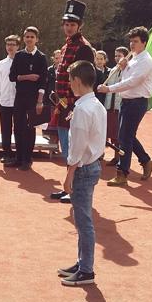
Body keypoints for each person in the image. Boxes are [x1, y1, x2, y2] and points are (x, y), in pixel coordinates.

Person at [57, 60, 107, 287]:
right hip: (92, 165)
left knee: (83, 221)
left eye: (70, 79)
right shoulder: (96, 105)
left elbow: (77, 148)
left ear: (77, 81)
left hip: (83, 168)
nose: (69, 83)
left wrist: (69, 175)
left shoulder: (82, 109)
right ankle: (82, 262)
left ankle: (86, 270)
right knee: (81, 218)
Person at [98, 27, 152, 186]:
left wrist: (109, 89)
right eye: (131, 41)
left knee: (124, 137)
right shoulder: (133, 58)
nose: (132, 44)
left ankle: (122, 173)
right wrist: (124, 68)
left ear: (144, 42)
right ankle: (146, 162)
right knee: (126, 135)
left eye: (135, 41)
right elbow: (126, 79)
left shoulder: (146, 61)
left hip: (137, 102)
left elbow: (132, 82)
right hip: (126, 101)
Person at [49, 0, 95, 201]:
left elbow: (84, 81)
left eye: (73, 24)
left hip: (74, 106)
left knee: (75, 149)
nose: (69, 27)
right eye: (66, 24)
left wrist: (74, 105)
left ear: (80, 25)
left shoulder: (83, 48)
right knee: (67, 150)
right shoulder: (66, 46)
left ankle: (75, 189)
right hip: (62, 105)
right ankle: (69, 187)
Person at [8, 26, 48, 170]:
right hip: (20, 97)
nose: (29, 39)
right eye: (27, 36)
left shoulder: (41, 57)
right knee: (18, 127)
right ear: (23, 38)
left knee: (30, 128)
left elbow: (43, 81)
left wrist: (40, 101)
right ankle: (18, 158)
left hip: (33, 98)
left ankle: (27, 159)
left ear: (37, 39)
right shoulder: (18, 55)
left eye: (32, 37)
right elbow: (12, 76)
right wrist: (27, 77)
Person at [0, 35, 20, 164]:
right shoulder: (1, 64)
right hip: (5, 101)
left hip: (19, 101)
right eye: (8, 44)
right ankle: (6, 153)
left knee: (19, 129)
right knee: (5, 129)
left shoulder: (22, 62)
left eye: (13, 44)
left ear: (18, 46)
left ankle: (19, 154)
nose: (10, 47)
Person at [102, 46, 128, 167]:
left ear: (126, 57)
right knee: (108, 131)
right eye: (116, 55)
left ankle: (118, 157)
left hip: (119, 106)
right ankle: (103, 154)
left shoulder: (127, 71)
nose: (117, 58)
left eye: (120, 56)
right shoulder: (112, 70)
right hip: (109, 106)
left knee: (118, 134)